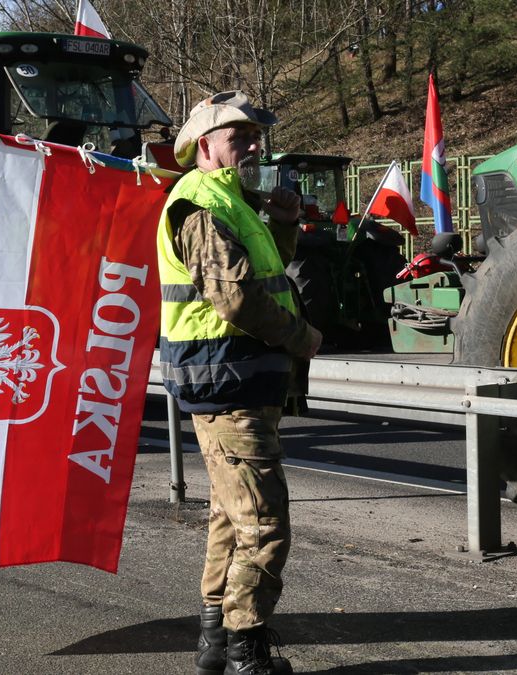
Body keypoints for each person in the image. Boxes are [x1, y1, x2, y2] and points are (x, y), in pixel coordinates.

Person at [156, 90, 322, 675]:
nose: (253, 146)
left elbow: (264, 274)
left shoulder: (234, 201)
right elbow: (236, 299)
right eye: (238, 137)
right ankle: (247, 653)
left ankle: (216, 642)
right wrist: (301, 336)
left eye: (256, 137)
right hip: (227, 383)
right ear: (205, 147)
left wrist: (284, 224)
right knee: (264, 523)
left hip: (238, 381)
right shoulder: (201, 203)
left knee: (232, 516)